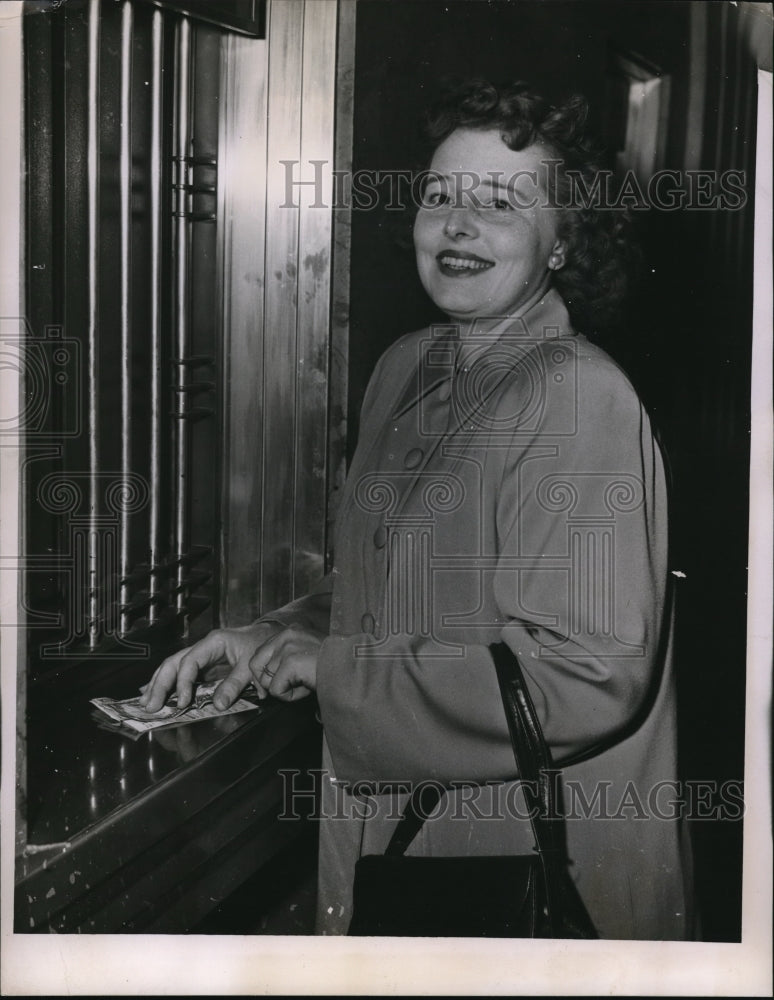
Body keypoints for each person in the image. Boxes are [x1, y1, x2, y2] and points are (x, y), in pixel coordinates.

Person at [140, 80, 693, 940]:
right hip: (398, 838)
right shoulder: (409, 368)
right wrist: (274, 635)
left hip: (518, 863)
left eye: (501, 203)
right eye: (439, 196)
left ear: (563, 243)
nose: (457, 225)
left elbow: (591, 674)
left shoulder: (580, 396)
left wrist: (331, 670)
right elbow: (394, 587)